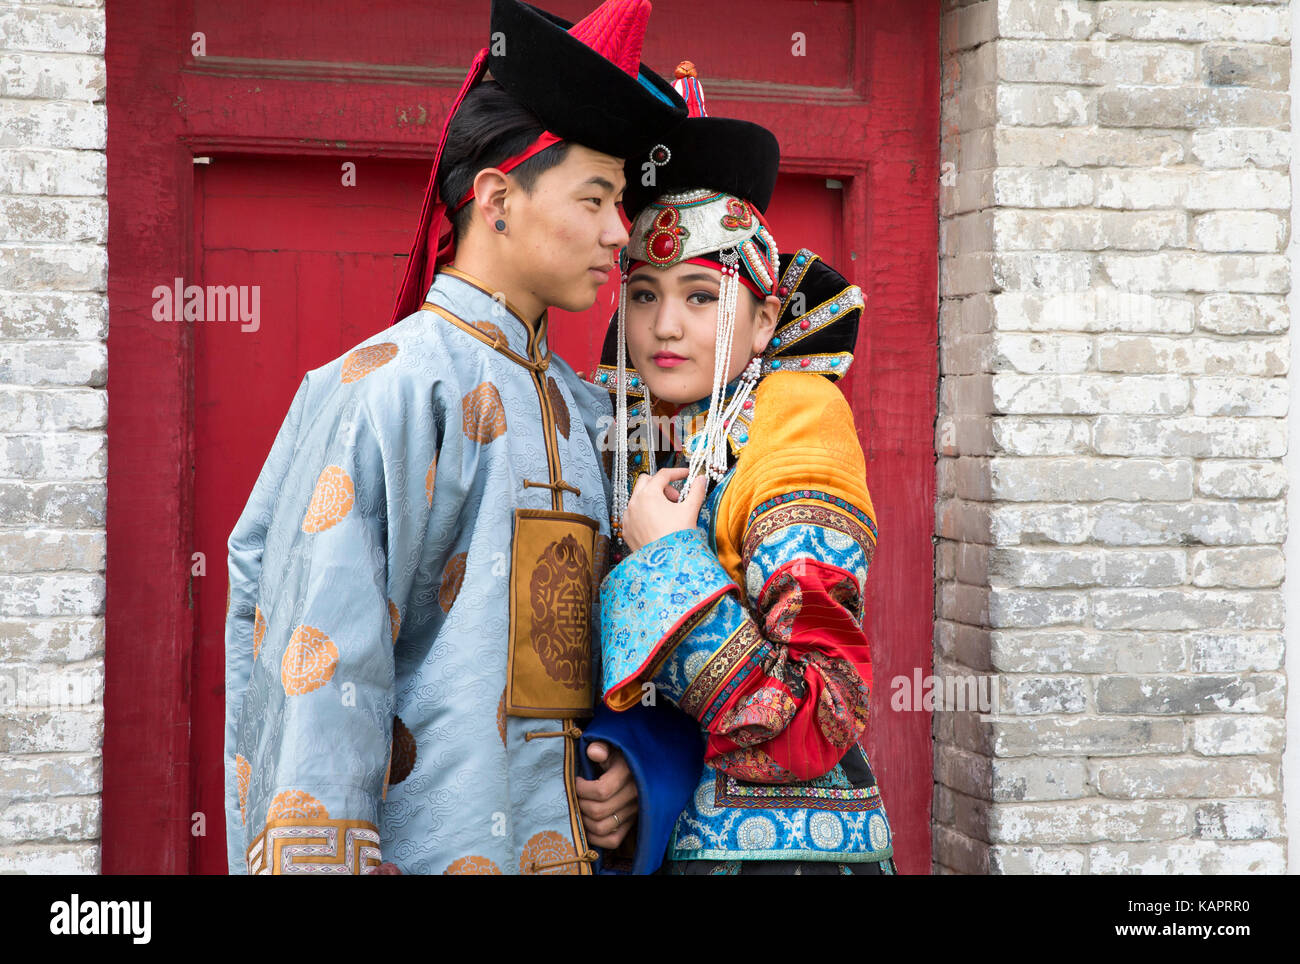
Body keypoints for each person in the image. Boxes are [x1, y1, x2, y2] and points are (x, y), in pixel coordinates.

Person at [222, 0, 687, 875]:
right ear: (497, 199)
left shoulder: (592, 415)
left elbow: (637, 660)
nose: (619, 234)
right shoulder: (386, 390)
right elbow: (321, 687)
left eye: (620, 203)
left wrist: (631, 766)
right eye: (595, 200)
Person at [593, 64, 897, 874]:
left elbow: (818, 717)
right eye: (644, 293)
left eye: (700, 296)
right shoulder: (629, 431)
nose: (665, 325)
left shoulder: (795, 424)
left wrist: (667, 560)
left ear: (766, 318)